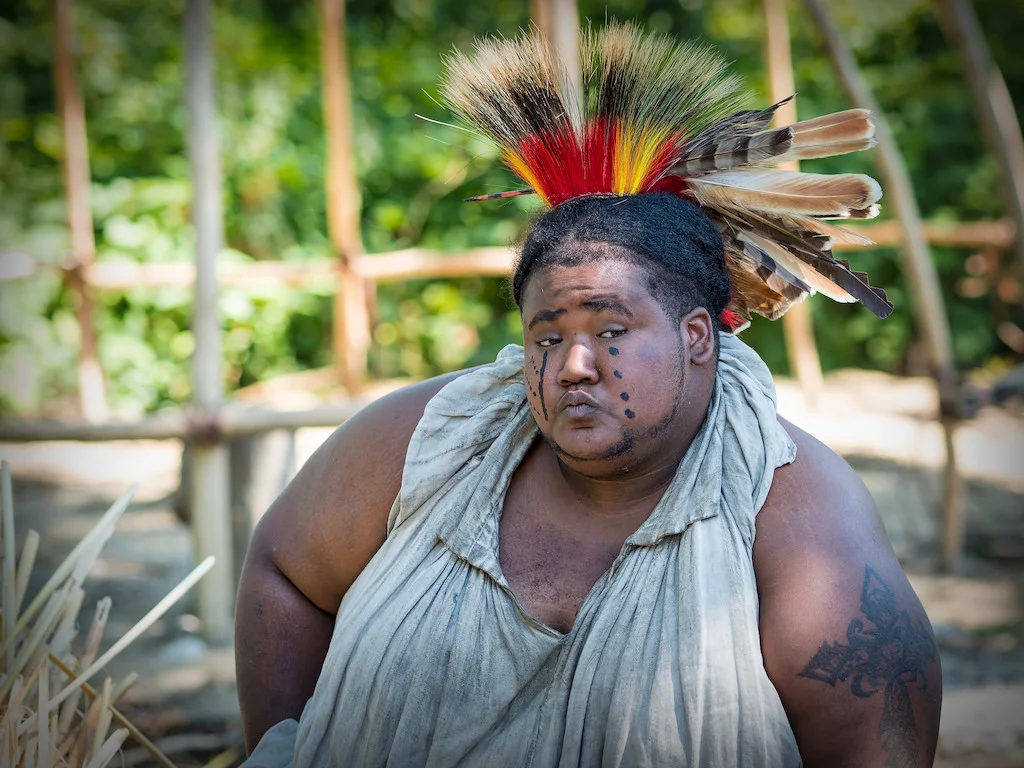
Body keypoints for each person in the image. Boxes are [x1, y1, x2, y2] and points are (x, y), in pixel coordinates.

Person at [235, 23, 941, 768]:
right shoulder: (424, 440)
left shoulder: (799, 514)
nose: (573, 365)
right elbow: (283, 573)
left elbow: (878, 738)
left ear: (697, 336)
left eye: (611, 330)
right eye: (546, 335)